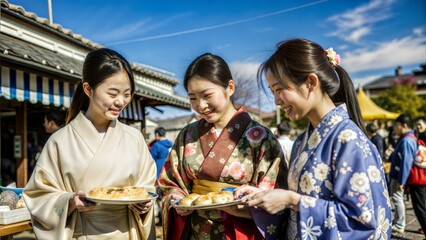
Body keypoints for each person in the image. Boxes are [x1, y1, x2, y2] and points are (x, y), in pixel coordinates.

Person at [235, 38, 392, 239]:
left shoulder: (349, 139)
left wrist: (293, 201)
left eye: (279, 89)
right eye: (272, 92)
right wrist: (262, 196)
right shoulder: (301, 142)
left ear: (311, 82)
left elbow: (361, 220)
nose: (276, 101)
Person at [23, 48, 157, 239]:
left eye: (127, 94)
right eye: (112, 93)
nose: (121, 101)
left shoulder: (134, 138)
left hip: (127, 232)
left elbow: (147, 187)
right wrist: (69, 201)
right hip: (82, 232)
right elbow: (38, 196)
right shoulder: (60, 141)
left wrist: (144, 202)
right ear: (88, 90)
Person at [158, 53, 287, 239]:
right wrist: (177, 200)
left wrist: (244, 204)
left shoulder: (260, 137)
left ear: (230, 88)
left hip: (241, 230)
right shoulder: (187, 134)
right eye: (193, 98)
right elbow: (170, 182)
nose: (201, 105)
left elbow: (275, 191)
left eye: (207, 95)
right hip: (195, 230)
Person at [388, 113, 417, 234]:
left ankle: (400, 224)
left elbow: (406, 162)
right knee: (397, 199)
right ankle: (398, 221)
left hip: (399, 176)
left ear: (404, 125)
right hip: (398, 175)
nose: (395, 128)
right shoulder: (408, 139)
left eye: (397, 125)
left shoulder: (407, 140)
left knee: (397, 198)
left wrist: (402, 181)